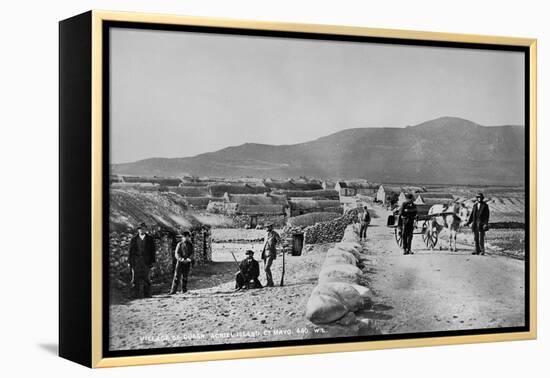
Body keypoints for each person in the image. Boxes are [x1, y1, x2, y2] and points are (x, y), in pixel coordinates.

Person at [128, 222, 156, 298]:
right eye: (140, 229)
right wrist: (129, 262)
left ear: (145, 229)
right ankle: (135, 295)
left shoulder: (150, 239)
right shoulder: (134, 239)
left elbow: (153, 251)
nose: (142, 230)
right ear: (138, 230)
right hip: (136, 261)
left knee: (147, 278)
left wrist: (153, 262)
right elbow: (130, 251)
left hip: (146, 261)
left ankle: (147, 294)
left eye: (143, 229)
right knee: (135, 278)